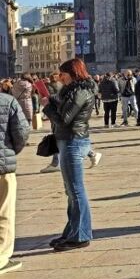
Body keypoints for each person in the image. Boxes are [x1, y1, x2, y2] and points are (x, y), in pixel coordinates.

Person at [43, 58, 97, 252]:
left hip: (74, 141)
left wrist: (48, 107)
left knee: (76, 190)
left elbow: (65, 119)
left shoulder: (80, 92)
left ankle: (81, 235)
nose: (60, 77)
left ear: (73, 73)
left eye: (63, 73)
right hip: (69, 140)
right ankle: (72, 231)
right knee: (71, 191)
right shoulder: (72, 91)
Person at [0, 89, 30, 274]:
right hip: (3, 167)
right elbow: (21, 133)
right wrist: (10, 152)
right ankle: (1, 257)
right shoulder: (7, 101)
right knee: (4, 213)